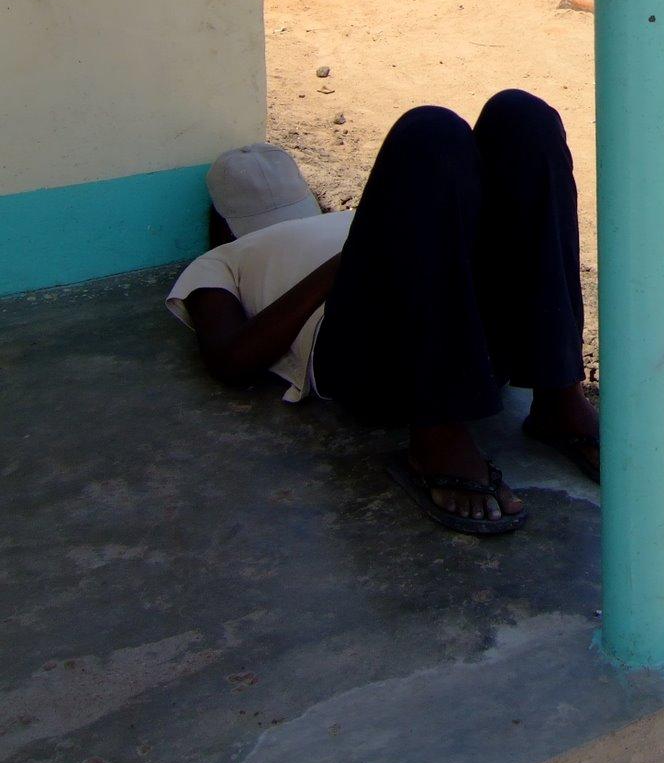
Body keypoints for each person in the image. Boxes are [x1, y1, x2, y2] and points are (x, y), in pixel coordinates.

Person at [166, 92, 598, 537]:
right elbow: (230, 359)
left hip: (471, 340)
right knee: (433, 132)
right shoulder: (224, 259)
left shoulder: (352, 216)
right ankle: (438, 430)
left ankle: (559, 394)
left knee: (519, 117)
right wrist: (351, 259)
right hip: (381, 362)